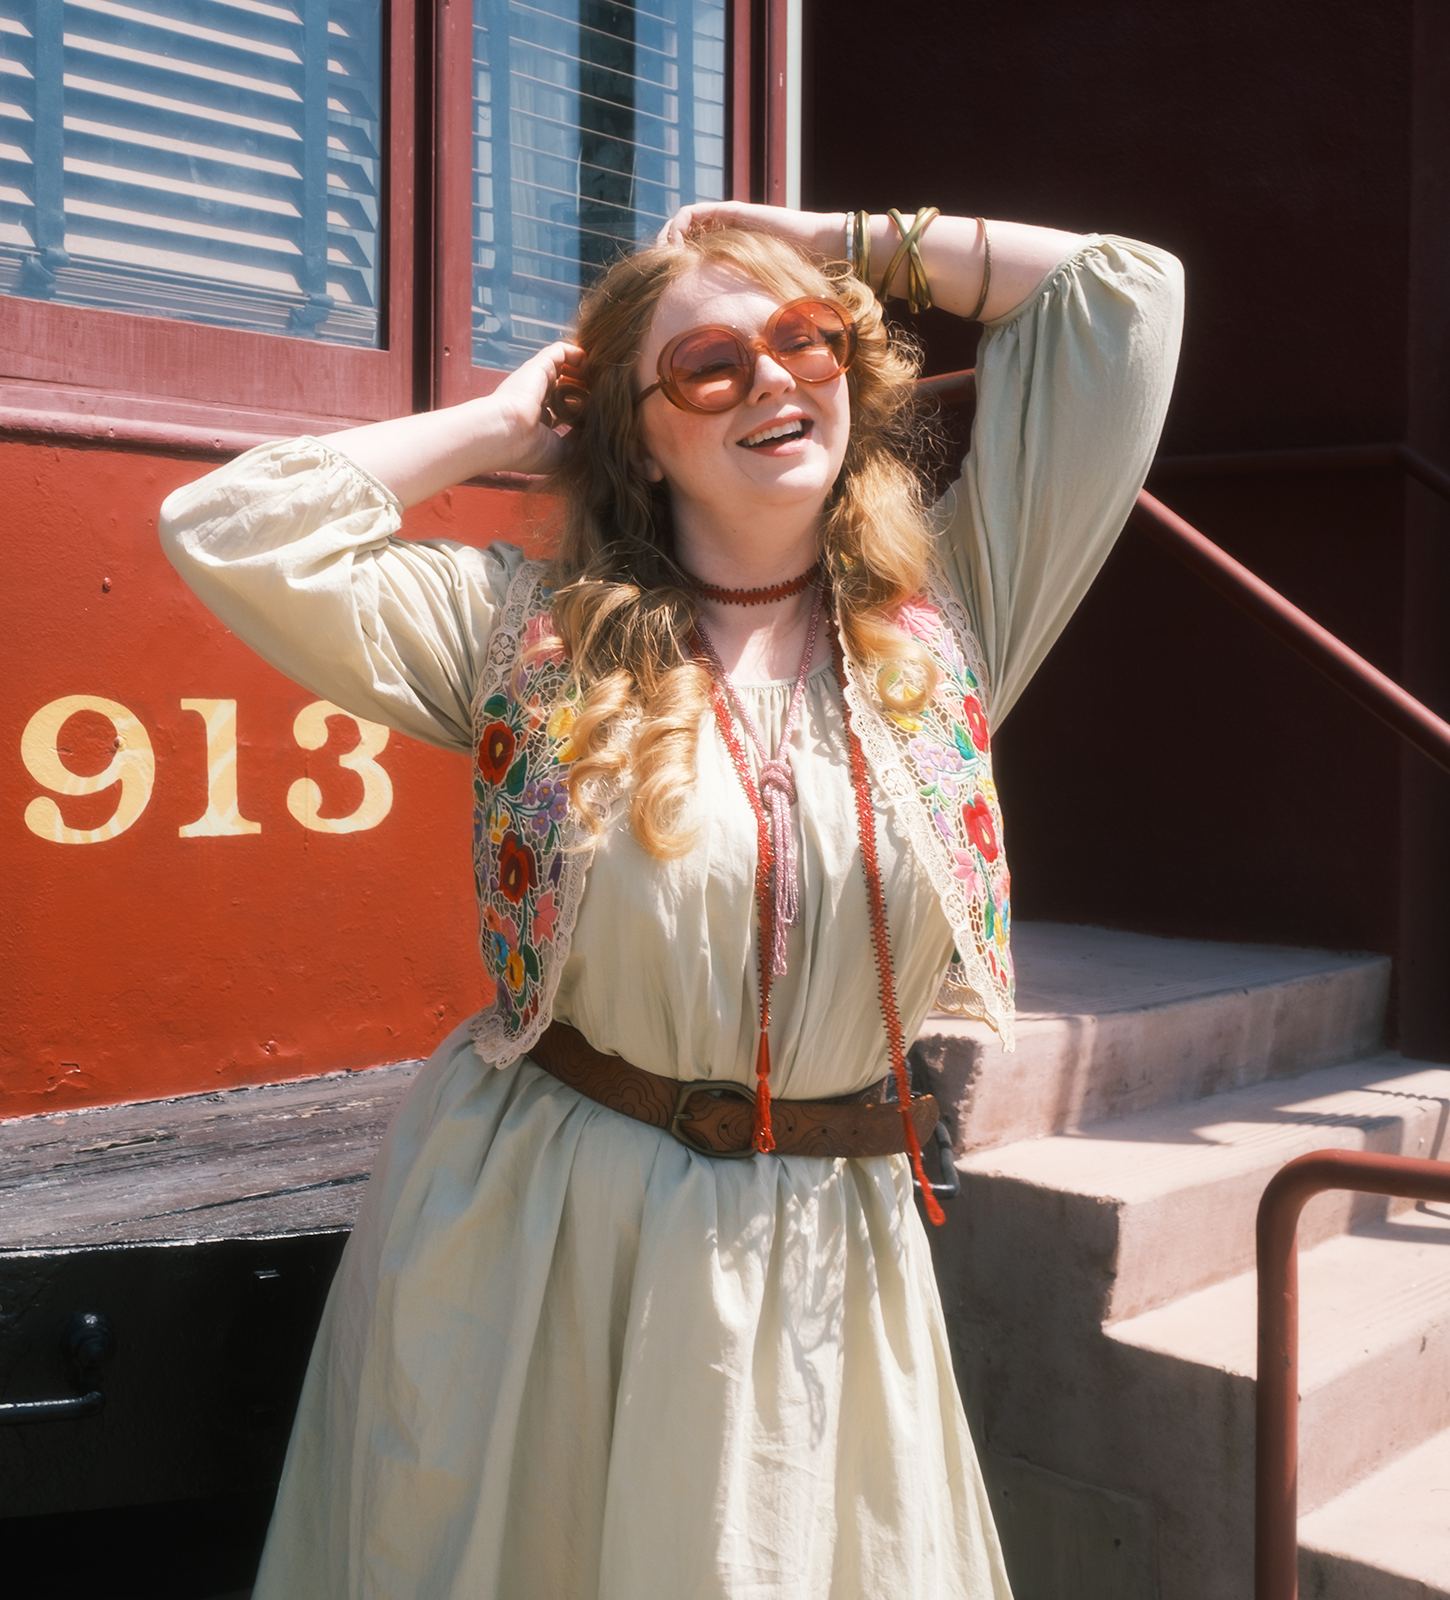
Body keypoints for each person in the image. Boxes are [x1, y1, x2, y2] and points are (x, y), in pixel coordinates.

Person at [158, 203, 1183, 1599]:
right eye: (708, 364)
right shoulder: (525, 635)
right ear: (639, 431)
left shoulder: (951, 614)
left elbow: (1123, 300)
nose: (772, 377)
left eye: (801, 338)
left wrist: (843, 237)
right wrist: (502, 423)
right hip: (547, 1232)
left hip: (830, 1238)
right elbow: (227, 523)